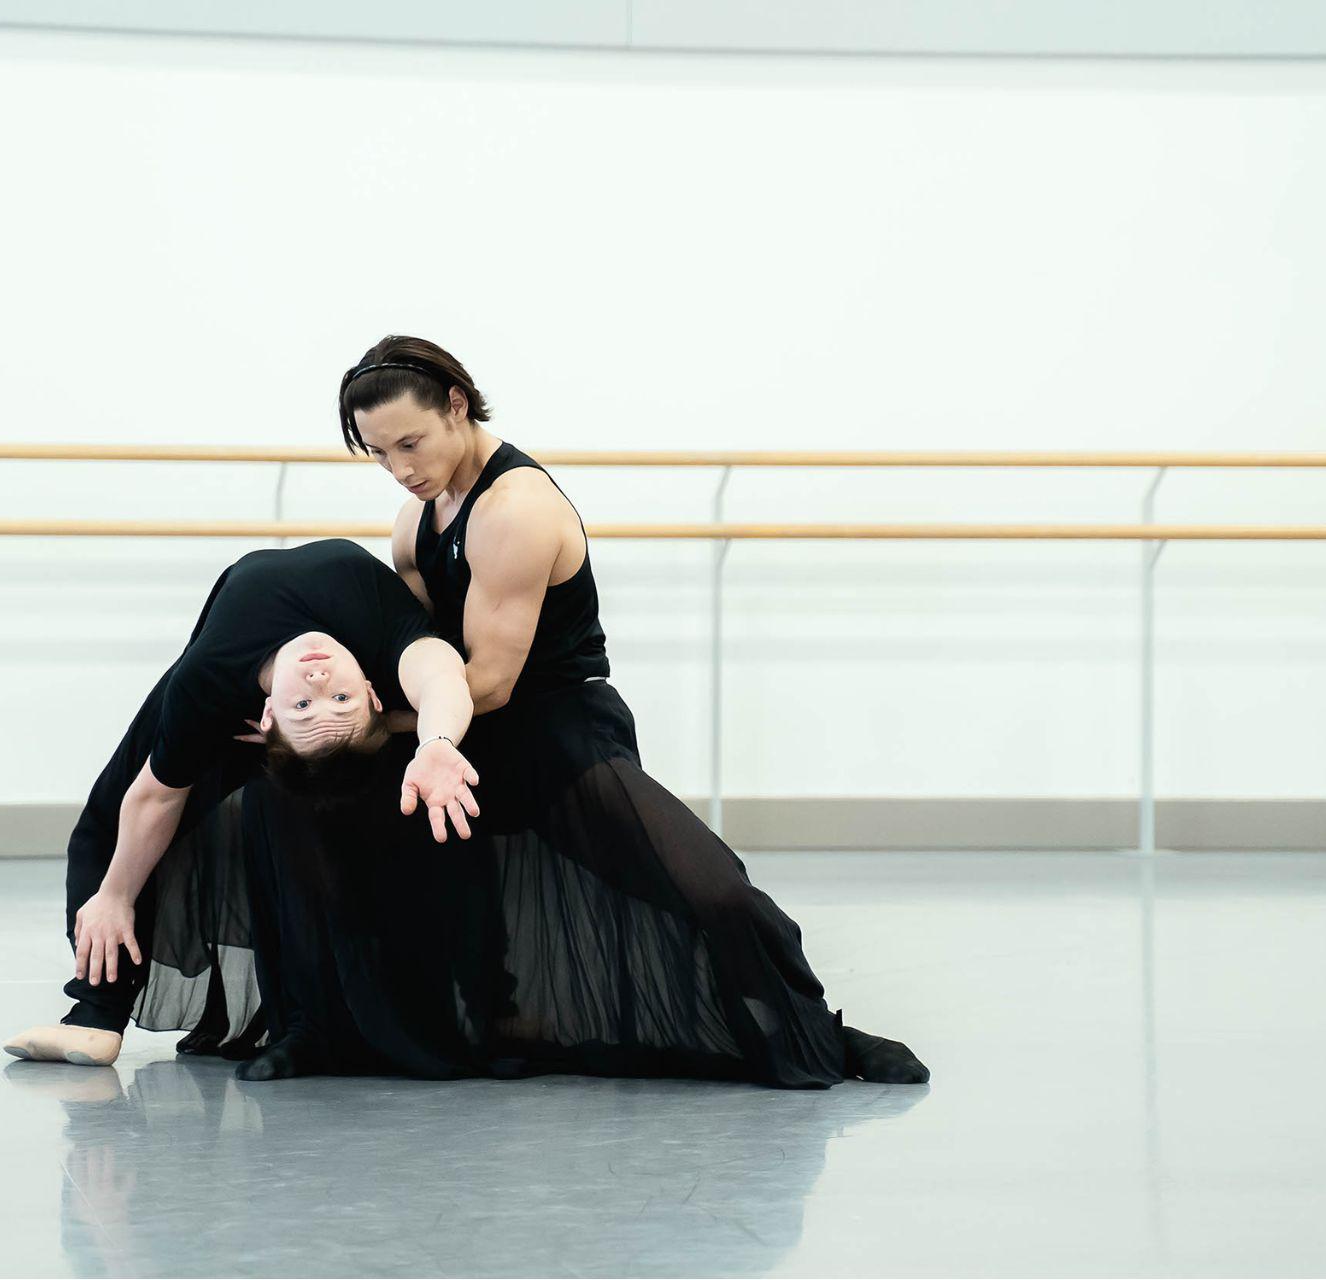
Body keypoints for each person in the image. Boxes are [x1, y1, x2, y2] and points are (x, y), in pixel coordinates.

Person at [233, 337, 929, 1088]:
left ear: (457, 408)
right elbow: (420, 653)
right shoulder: (415, 521)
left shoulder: (516, 510)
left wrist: (373, 729)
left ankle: (823, 1033)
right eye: (378, 453)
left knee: (707, 889)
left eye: (412, 442)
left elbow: (490, 686)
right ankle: (317, 1026)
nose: (401, 468)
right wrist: (320, 729)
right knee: (290, 792)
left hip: (551, 731)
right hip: (456, 729)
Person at [3, 536, 480, 1067]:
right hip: (256, 710)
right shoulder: (369, 640)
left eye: (319, 701)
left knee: (336, 804)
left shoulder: (213, 678)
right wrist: (114, 895)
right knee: (106, 827)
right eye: (328, 699)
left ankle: (400, 1007)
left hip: (259, 706)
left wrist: (428, 742)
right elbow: (156, 798)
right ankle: (97, 1017)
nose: (319, 678)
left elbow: (441, 677)